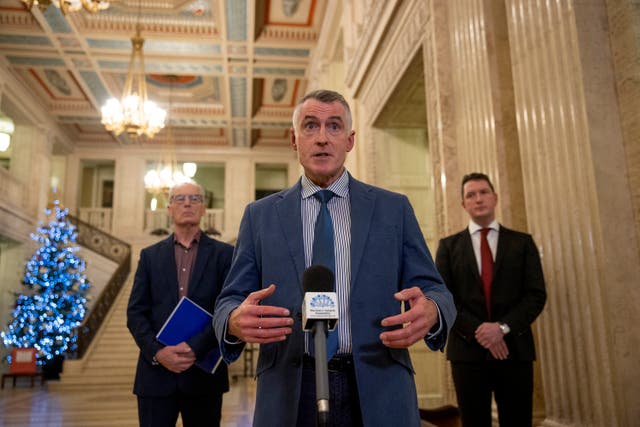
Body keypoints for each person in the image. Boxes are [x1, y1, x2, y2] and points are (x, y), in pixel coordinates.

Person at [212, 89, 456, 426]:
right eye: (310, 126)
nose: (323, 138)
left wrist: (431, 310)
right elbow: (229, 301)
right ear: (294, 140)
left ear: (350, 140)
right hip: (290, 392)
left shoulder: (393, 209)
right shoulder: (260, 215)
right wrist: (234, 320)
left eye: (334, 126)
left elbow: (437, 292)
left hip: (378, 386)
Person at [435, 172, 547, 427]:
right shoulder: (448, 247)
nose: (478, 199)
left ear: (495, 198)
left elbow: (536, 295)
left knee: (517, 420)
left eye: (483, 192)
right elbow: (443, 298)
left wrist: (501, 328)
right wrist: (480, 331)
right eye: (470, 195)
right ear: (464, 205)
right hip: (467, 352)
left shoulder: (522, 243)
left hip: (514, 350)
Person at [127, 181, 234, 427]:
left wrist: (194, 347)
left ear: (204, 208)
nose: (187, 203)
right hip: (155, 376)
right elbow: (135, 313)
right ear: (169, 209)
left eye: (195, 198)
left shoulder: (225, 255)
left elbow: (226, 310)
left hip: (204, 376)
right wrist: (158, 352)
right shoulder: (150, 256)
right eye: (180, 198)